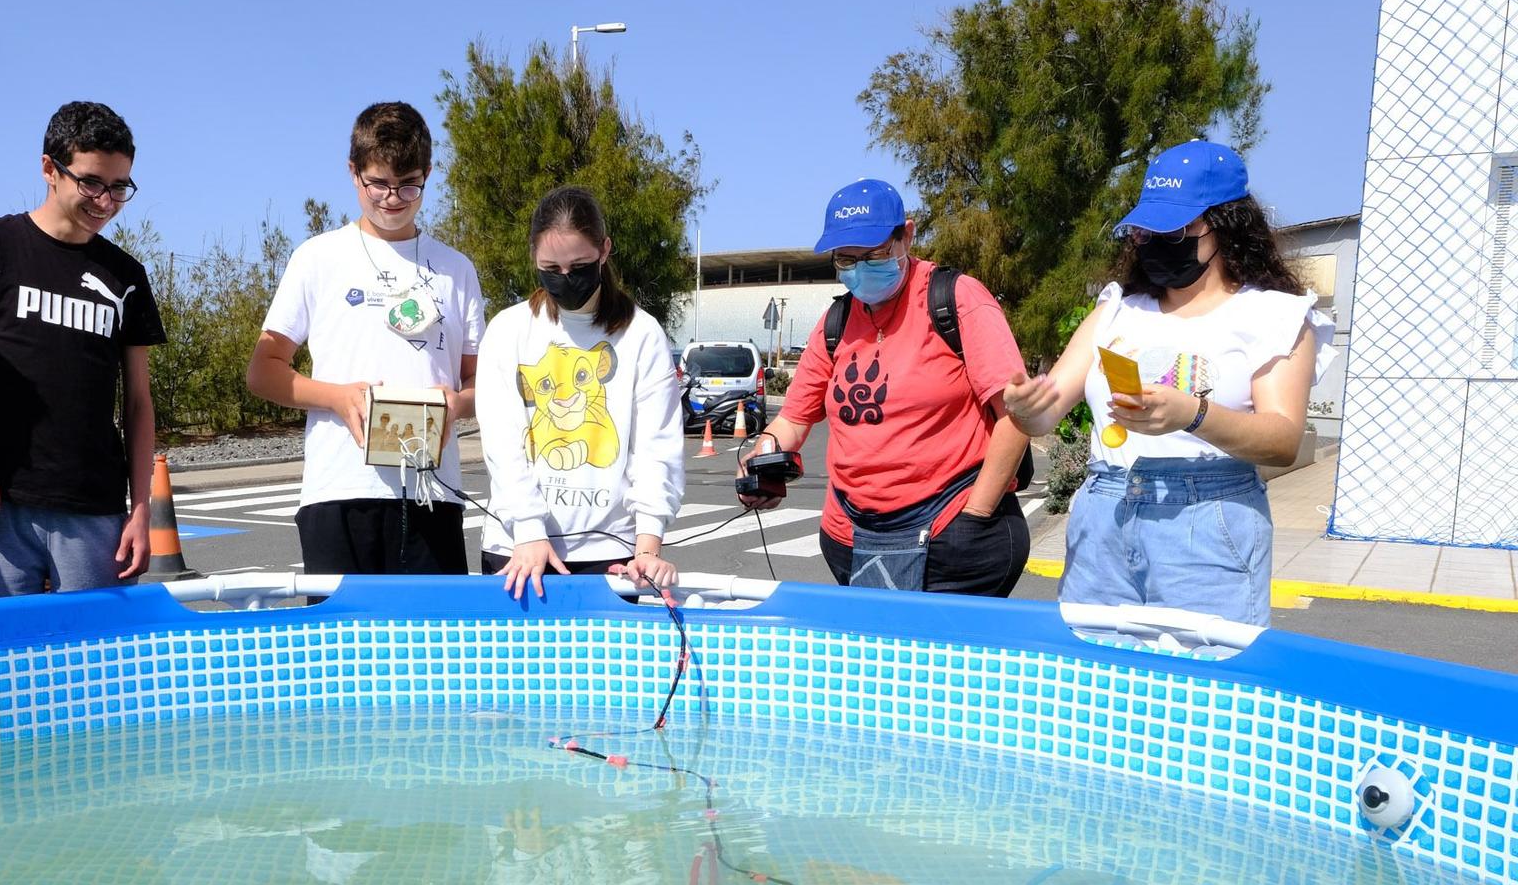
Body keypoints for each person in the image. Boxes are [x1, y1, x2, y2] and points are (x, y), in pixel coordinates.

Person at [1003, 140, 1329, 626]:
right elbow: (1048, 408)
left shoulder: (1274, 314)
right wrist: (1026, 409)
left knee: (1200, 691)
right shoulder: (1116, 308)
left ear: (1225, 225)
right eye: (1145, 230)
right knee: (1097, 685)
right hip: (1105, 516)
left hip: (1208, 520)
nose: (1155, 240)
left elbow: (1282, 440)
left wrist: (1193, 415)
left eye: (1175, 228)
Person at [0, 101, 164, 600]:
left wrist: (140, 509)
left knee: (96, 668)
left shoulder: (127, 276)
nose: (105, 201)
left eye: (119, 187)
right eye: (91, 182)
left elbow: (137, 402)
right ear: (50, 168)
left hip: (95, 511)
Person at [737, 179, 1033, 595]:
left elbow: (1016, 414)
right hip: (851, 536)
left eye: (872, 255)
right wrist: (764, 453)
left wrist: (977, 513)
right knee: (875, 660)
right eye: (845, 259)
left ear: (906, 236)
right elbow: (794, 418)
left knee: (944, 659)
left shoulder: (957, 299)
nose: (858, 269)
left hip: (952, 531)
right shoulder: (836, 323)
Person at [246, 102, 484, 575]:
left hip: (432, 492)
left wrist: (454, 404)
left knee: (433, 647)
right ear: (353, 172)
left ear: (429, 174)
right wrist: (336, 398)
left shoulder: (456, 269)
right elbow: (263, 369)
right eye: (378, 183)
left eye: (409, 184)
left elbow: (479, 383)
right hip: (340, 492)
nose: (393, 198)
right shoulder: (317, 258)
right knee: (343, 648)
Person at [475, 186, 683, 598]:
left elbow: (656, 445)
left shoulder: (641, 333)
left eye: (579, 265)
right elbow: (502, 440)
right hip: (517, 547)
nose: (565, 278)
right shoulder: (508, 329)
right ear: (533, 257)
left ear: (604, 251)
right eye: (551, 267)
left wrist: (648, 544)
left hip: (611, 551)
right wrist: (530, 531)